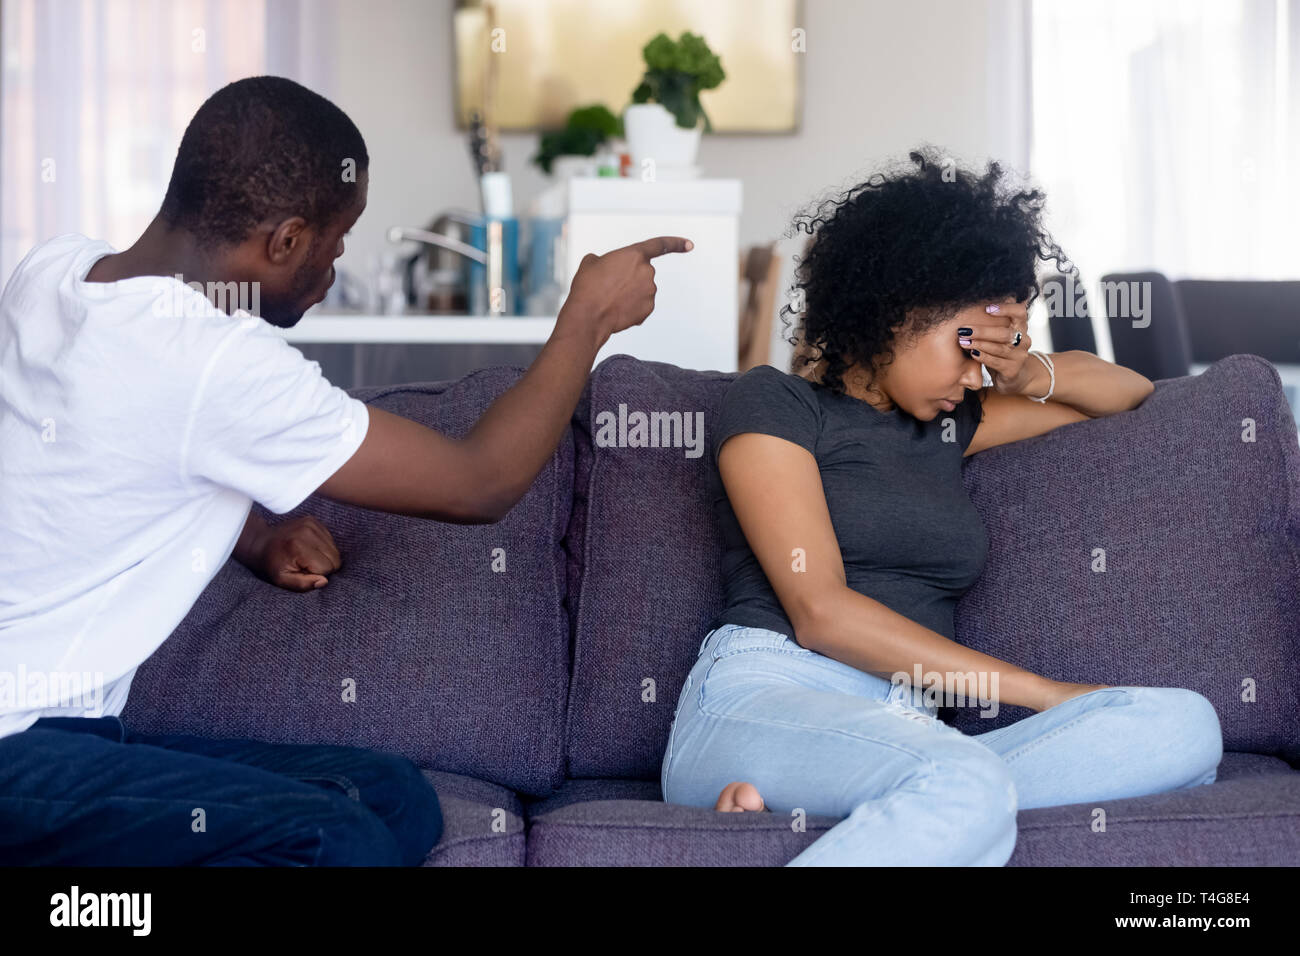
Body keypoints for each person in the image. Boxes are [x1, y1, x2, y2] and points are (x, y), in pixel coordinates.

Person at [0, 75, 692, 865]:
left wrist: (253, 532)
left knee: (388, 794)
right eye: (337, 237)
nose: (336, 261)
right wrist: (587, 320)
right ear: (286, 240)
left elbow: (95, 451)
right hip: (18, 748)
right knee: (340, 838)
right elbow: (479, 482)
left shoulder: (54, 271)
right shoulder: (218, 364)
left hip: (67, 740)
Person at [660, 148, 1222, 866]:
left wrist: (1026, 367)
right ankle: (921, 802)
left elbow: (1133, 393)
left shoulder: (952, 425)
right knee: (963, 777)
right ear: (898, 310)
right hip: (765, 697)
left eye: (989, 354)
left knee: (1183, 724)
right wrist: (1044, 694)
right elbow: (821, 613)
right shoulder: (774, 401)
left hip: (903, 735)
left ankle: (869, 816)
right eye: (967, 344)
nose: (974, 372)